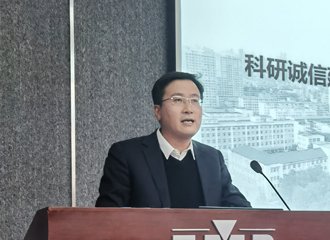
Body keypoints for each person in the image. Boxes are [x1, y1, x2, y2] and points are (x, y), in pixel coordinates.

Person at [95, 71, 251, 208]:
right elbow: (108, 216)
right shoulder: (128, 155)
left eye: (194, 100)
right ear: (158, 111)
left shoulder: (212, 158)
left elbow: (241, 209)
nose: (188, 109)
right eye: (178, 100)